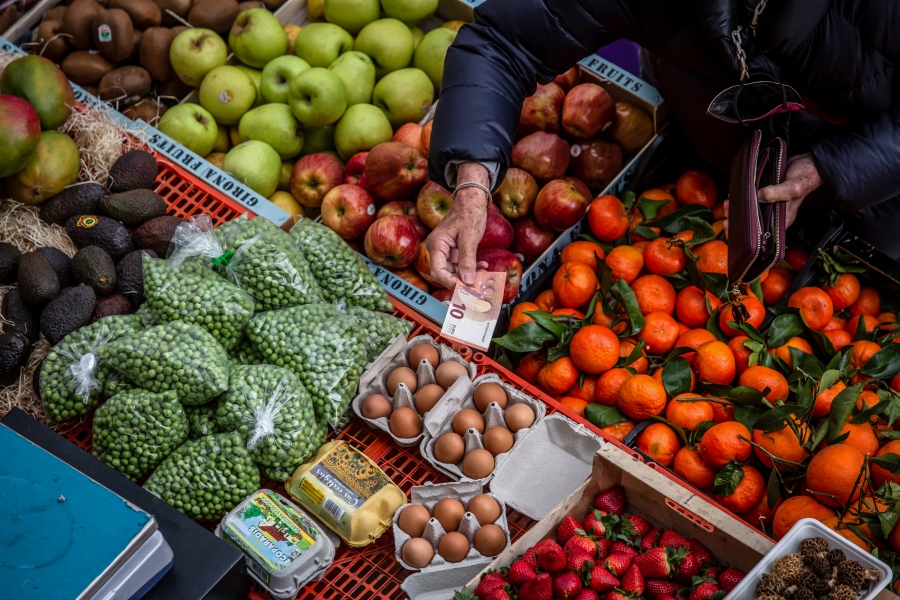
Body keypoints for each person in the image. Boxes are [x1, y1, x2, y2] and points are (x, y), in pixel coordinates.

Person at [425, 0, 900, 290]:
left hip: (877, 190)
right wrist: (471, 181)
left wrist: (833, 166)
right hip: (713, 152)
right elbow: (503, 41)